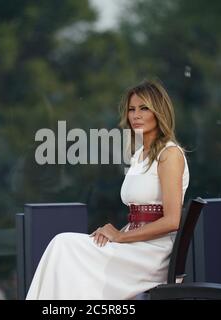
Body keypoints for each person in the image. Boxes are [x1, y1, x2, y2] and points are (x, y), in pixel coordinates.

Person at [26, 79, 190, 300]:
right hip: (133, 242)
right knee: (61, 245)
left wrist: (121, 238)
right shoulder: (139, 155)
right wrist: (116, 233)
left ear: (159, 112)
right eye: (131, 109)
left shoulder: (170, 154)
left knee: (65, 246)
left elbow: (172, 221)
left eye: (144, 108)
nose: (136, 115)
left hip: (153, 253)